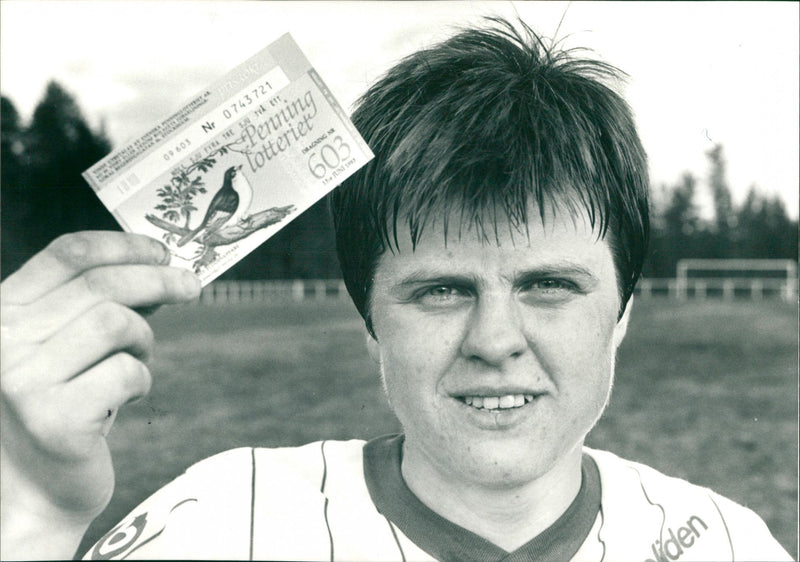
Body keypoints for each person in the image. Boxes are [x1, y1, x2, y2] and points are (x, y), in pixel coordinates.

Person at [0, 17, 791, 562]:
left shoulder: (728, 543)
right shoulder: (218, 521)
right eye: (440, 290)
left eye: (549, 284)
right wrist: (32, 511)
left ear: (623, 311)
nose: (493, 340)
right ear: (369, 316)